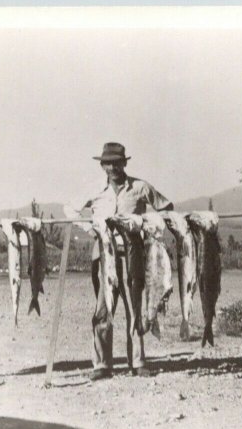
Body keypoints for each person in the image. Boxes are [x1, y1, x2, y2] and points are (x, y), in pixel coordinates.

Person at [72, 142, 173, 381]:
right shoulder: (94, 189)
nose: (113, 167)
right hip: (104, 256)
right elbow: (70, 209)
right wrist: (89, 228)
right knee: (103, 308)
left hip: (133, 255)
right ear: (102, 166)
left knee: (134, 307)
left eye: (117, 162)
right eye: (108, 163)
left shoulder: (140, 187)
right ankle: (102, 364)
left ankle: (137, 362)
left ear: (125, 163)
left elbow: (166, 207)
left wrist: (147, 224)